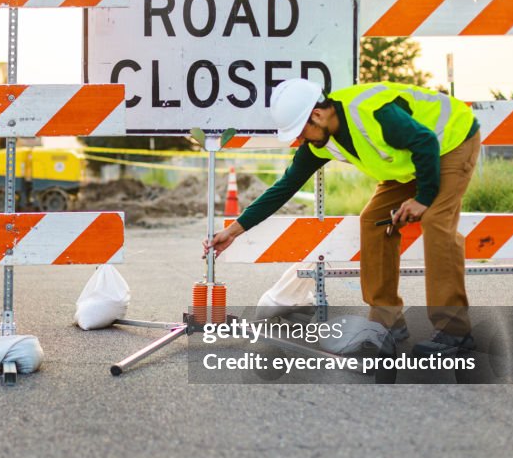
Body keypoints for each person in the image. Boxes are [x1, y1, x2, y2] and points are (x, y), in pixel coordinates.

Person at [204, 78, 481, 355]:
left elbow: (425, 141)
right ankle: (387, 324)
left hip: (450, 141)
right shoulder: (319, 142)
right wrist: (234, 231)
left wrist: (424, 198)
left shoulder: (372, 113)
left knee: (436, 221)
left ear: (317, 114)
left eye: (301, 132)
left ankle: (454, 332)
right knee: (373, 220)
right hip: (411, 161)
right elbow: (284, 188)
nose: (301, 139)